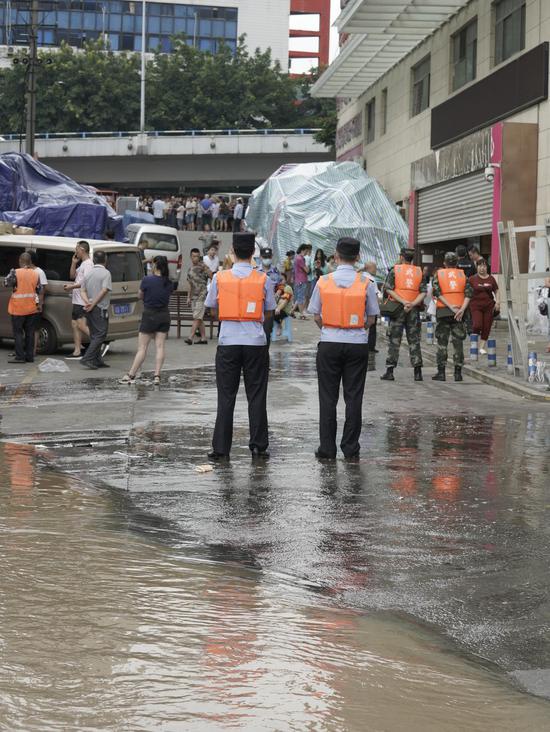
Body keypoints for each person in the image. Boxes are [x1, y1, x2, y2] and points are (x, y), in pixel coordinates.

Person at [205, 232, 276, 461]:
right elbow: (268, 312)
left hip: (228, 341)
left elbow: (213, 309)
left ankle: (221, 448)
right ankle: (258, 445)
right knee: (257, 395)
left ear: (232, 252)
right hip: (255, 342)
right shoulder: (264, 279)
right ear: (254, 254)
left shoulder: (220, 278)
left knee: (226, 396)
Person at [308, 237, 379, 460]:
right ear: (358, 258)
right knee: (354, 397)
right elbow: (371, 318)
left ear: (336, 256)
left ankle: (327, 448)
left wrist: (330, 328)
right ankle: (350, 447)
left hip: (329, 342)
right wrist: (357, 328)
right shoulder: (366, 282)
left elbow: (316, 315)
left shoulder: (323, 281)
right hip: (357, 344)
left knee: (328, 398)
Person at [119, 256, 173, 385]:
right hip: (164, 315)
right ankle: (157, 376)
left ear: (155, 265)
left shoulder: (147, 280)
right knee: (160, 346)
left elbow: (140, 295)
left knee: (142, 348)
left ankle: (131, 374)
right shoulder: (169, 282)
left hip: (149, 315)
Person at [380, 248, 426, 382]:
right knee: (414, 340)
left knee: (395, 340)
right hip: (413, 310)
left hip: (397, 309)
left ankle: (390, 371)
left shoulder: (395, 270)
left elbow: (388, 289)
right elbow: (423, 292)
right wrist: (412, 303)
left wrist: (403, 301)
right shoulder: (418, 271)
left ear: (401, 257)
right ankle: (418, 372)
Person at [431, 251, 473, 382]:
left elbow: (437, 293)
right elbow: (468, 294)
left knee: (442, 343)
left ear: (444, 263)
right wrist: (461, 310)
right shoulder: (462, 275)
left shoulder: (439, 274)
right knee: (458, 343)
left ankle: (441, 373)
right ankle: (458, 373)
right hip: (459, 314)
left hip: (443, 312)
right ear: (457, 263)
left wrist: (450, 306)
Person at [5, 252, 40, 364]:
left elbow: (6, 283)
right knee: (30, 333)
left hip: (18, 308)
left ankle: (20, 357)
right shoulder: (35, 274)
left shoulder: (15, 272)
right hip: (31, 308)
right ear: (30, 261)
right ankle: (30, 357)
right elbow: (39, 289)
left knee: (18, 333)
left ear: (20, 260)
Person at [80, 250, 112, 370]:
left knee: (94, 334)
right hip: (100, 308)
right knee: (100, 334)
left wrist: (87, 302)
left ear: (94, 260)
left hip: (90, 308)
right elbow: (104, 290)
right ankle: (87, 358)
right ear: (105, 260)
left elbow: (82, 290)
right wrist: (93, 304)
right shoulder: (106, 273)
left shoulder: (88, 273)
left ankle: (97, 359)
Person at [64, 240, 94, 359]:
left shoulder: (88, 264)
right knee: (75, 324)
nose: (75, 251)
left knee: (81, 325)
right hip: (76, 300)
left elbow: (85, 282)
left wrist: (71, 287)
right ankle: (77, 351)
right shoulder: (82, 264)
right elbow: (72, 276)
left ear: (82, 250)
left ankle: (97, 342)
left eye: (76, 249)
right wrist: (73, 263)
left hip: (82, 300)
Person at [469, 258, 500, 354]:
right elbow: (466, 293)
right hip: (475, 306)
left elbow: (496, 290)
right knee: (477, 325)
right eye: (480, 266)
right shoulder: (472, 279)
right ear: (477, 267)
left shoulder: (491, 279)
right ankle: (474, 342)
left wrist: (498, 302)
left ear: (487, 267)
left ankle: (481, 347)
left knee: (486, 327)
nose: (482, 268)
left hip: (489, 306)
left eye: (484, 266)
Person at [186, 248, 211, 345]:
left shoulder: (203, 267)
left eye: (197, 256)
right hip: (194, 296)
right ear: (190, 257)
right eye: (193, 256)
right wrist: (188, 297)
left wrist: (206, 268)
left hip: (202, 295)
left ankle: (190, 337)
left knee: (197, 317)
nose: (195, 258)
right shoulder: (189, 269)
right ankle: (203, 338)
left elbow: (212, 276)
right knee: (199, 318)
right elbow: (190, 284)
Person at [26, 249, 48, 356]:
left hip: (34, 304)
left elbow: (42, 289)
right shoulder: (24, 270)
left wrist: (40, 304)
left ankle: (33, 350)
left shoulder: (39, 272)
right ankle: (26, 349)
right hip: (24, 303)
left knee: (34, 328)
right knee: (26, 327)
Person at [364, 261, 379, 355]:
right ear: (369, 268)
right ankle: (371, 346)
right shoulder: (372, 279)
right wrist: (377, 308)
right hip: (370, 306)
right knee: (372, 327)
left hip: (361, 305)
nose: (376, 270)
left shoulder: (360, 276)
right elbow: (375, 294)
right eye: (374, 268)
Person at [293, 244, 310, 319]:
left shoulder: (298, 258)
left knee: (300, 297)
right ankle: (301, 314)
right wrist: (309, 267)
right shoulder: (300, 258)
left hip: (299, 280)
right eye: (306, 250)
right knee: (301, 298)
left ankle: (292, 311)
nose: (307, 252)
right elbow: (307, 270)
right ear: (303, 250)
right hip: (301, 280)